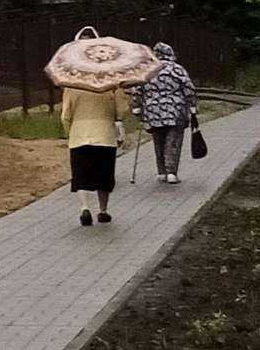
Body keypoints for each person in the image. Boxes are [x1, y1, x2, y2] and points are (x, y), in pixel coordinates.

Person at [60, 85, 130, 226]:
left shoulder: (72, 87)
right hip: (105, 135)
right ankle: (103, 211)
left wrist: (70, 132)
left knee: (80, 174)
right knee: (104, 175)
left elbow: (65, 116)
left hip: (79, 135)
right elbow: (122, 111)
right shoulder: (112, 85)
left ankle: (85, 207)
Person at [129, 43, 198, 183]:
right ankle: (171, 172)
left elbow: (137, 89)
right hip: (175, 111)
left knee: (158, 141)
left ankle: (161, 172)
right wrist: (192, 105)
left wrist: (137, 108)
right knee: (173, 142)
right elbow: (188, 88)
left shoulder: (148, 69)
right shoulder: (177, 69)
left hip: (153, 112)